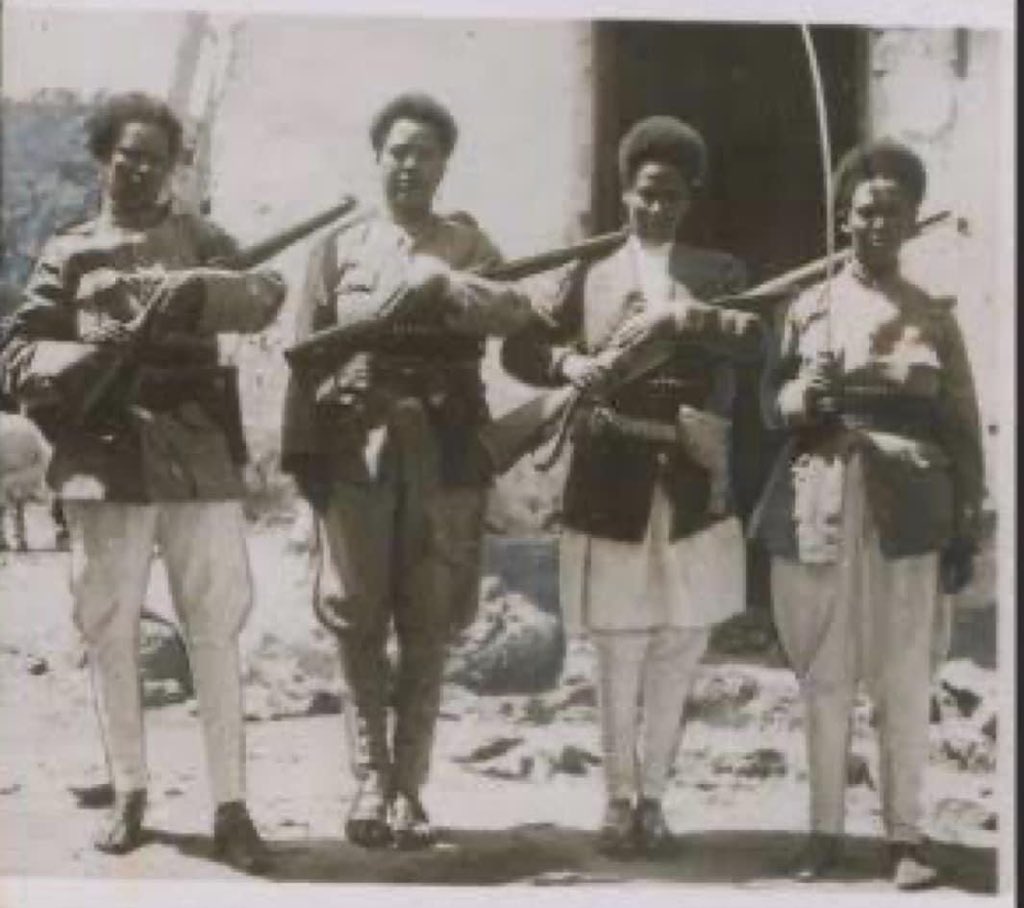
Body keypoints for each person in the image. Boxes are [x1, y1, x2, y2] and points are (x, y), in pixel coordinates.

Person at [0, 92, 286, 872]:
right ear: (104, 157)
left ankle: (231, 806)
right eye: (126, 155)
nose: (139, 170)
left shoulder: (202, 238)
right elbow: (19, 351)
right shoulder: (70, 251)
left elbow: (266, 291)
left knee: (214, 627)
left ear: (173, 168)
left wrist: (200, 290)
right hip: (105, 455)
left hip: (196, 455)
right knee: (109, 624)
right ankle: (129, 790)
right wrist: (90, 353)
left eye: (156, 159)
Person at [501, 116, 762, 857]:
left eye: (671, 195)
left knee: (681, 643)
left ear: (690, 198)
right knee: (618, 649)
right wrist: (568, 365)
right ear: (625, 193)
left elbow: (758, 343)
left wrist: (689, 317)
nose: (656, 207)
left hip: (690, 476)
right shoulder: (590, 274)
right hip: (610, 473)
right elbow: (521, 345)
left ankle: (656, 799)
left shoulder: (719, 274)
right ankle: (616, 801)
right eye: (646, 193)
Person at [280, 92, 534, 850]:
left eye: (424, 152)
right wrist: (306, 466)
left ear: (444, 164)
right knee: (357, 615)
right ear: (378, 157)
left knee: (428, 618)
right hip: (356, 447)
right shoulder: (339, 248)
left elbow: (514, 311)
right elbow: (306, 357)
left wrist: (447, 285)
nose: (409, 164)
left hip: (444, 446)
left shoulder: (470, 245)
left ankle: (411, 788)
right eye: (397, 150)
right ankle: (370, 776)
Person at [751, 139, 983, 890]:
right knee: (825, 670)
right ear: (842, 219)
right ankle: (823, 833)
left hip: (909, 510)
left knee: (904, 675)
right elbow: (769, 405)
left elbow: (961, 426)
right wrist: (803, 395)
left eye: (892, 211)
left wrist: (966, 522)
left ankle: (904, 837)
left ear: (912, 221)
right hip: (821, 500)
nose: (877, 223)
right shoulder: (807, 308)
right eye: (864, 211)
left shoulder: (934, 319)